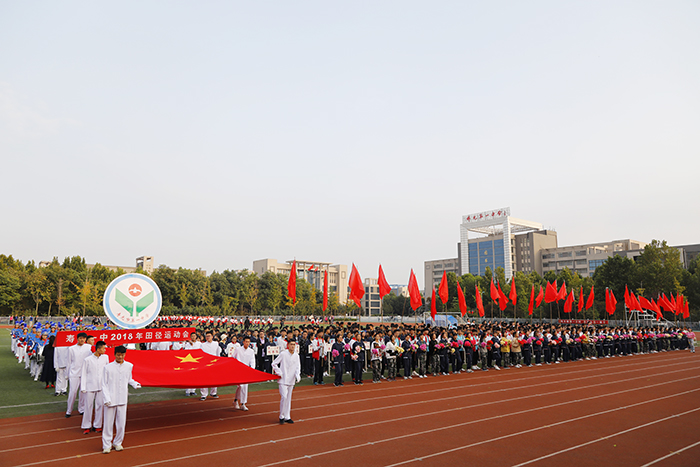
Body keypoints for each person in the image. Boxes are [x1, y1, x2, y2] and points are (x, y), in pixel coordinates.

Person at [102, 346, 141, 454]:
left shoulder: (129, 366)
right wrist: (106, 398)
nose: (120, 357)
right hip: (110, 399)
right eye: (118, 355)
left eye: (122, 355)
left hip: (122, 398)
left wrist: (135, 384)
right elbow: (104, 384)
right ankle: (106, 445)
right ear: (115, 354)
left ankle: (118, 442)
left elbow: (129, 379)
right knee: (108, 423)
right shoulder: (107, 367)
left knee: (121, 423)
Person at [80, 340, 109, 434]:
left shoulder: (105, 358)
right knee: (88, 406)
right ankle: (86, 425)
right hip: (89, 386)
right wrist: (83, 387)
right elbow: (84, 373)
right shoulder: (87, 360)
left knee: (100, 405)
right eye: (103, 348)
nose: (105, 350)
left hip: (101, 386)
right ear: (98, 349)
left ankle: (97, 425)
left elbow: (107, 371)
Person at [272, 339, 300, 424]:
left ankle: (287, 416)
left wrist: (297, 375)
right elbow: (274, 363)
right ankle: (281, 416)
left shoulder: (296, 356)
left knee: (288, 398)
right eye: (291, 344)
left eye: (294, 344)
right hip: (283, 380)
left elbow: (298, 367)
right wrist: (279, 372)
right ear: (288, 345)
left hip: (291, 380)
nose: (292, 346)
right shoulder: (283, 354)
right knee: (284, 397)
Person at [66, 332, 93, 418]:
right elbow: (68, 362)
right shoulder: (71, 348)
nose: (82, 340)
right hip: (74, 373)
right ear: (77, 339)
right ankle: (69, 410)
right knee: (72, 392)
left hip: (85, 373)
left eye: (84, 338)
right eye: (80, 338)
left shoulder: (89, 347)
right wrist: (67, 374)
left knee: (83, 392)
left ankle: (81, 409)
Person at [232, 336, 256, 411]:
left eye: (248, 342)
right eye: (246, 342)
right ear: (243, 342)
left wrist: (252, 369)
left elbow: (252, 361)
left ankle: (243, 403)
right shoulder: (238, 349)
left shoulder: (251, 351)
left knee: (245, 387)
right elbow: (233, 357)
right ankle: (236, 400)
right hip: (238, 370)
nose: (247, 343)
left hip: (246, 371)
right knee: (240, 386)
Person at [200, 331, 221, 400]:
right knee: (204, 379)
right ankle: (204, 394)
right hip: (205, 363)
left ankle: (213, 392)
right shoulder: (203, 345)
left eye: (209, 336)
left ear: (212, 336)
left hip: (214, 363)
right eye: (206, 336)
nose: (207, 337)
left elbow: (218, 353)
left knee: (214, 378)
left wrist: (218, 361)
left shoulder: (216, 344)